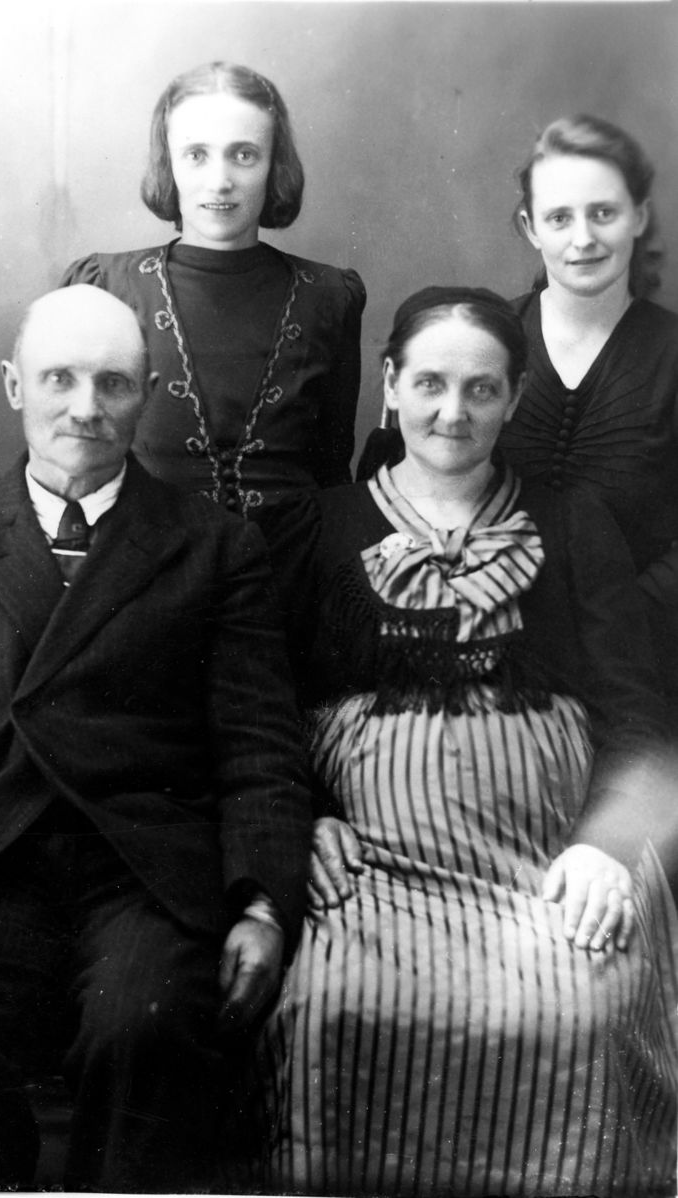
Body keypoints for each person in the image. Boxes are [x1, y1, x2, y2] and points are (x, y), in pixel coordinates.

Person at [245, 287, 677, 1197]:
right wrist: (304, 821)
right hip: (371, 863)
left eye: (482, 389)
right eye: (430, 384)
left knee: (581, 1014)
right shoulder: (317, 528)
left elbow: (639, 717)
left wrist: (607, 848)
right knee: (331, 1007)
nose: (454, 412)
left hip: (551, 857)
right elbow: (261, 709)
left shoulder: (574, 523)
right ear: (390, 384)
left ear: (514, 398)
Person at [0, 284, 312, 1193]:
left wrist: (264, 905)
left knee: (146, 1028)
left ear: (148, 394)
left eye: (114, 384)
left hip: (143, 866)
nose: (86, 409)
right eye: (60, 379)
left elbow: (259, 744)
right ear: (15, 385)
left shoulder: (214, 546)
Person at [61, 61, 366, 517]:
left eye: (244, 155)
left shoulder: (329, 295)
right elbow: (74, 464)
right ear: (169, 163)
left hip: (297, 559)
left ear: (273, 164)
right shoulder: (105, 286)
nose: (220, 182)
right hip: (145, 555)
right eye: (196, 155)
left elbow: (334, 471)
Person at [497, 114, 678, 706]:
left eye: (603, 213)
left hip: (647, 667)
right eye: (559, 218)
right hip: (489, 662)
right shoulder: (485, 339)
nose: (583, 239)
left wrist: (606, 633)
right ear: (530, 228)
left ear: (639, 217)